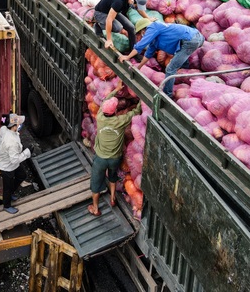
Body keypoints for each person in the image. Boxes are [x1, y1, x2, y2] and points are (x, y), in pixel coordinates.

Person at [88, 81, 140, 217]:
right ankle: (112, 198)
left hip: (100, 159)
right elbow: (136, 111)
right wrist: (142, 100)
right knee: (112, 176)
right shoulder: (120, 121)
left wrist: (116, 89)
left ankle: (95, 208)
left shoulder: (99, 117)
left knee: (96, 183)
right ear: (115, 111)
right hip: (115, 158)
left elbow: (105, 100)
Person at [119, 18, 205, 98]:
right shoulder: (154, 40)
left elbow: (140, 45)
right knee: (179, 61)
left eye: (140, 34)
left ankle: (167, 95)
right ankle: (184, 73)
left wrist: (127, 57)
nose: (141, 36)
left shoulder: (153, 27)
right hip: (190, 39)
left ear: (143, 30)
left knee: (170, 69)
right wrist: (139, 67)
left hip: (192, 39)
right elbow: (148, 54)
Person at [0, 113, 31, 214]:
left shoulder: (4, 129)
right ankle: (6, 205)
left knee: (22, 175)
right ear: (13, 126)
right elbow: (15, 160)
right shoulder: (11, 142)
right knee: (7, 186)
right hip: (7, 166)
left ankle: (11, 192)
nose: (20, 124)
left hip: (9, 160)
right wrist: (27, 153)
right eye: (18, 123)